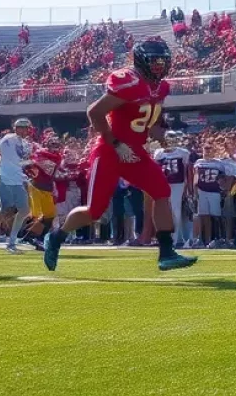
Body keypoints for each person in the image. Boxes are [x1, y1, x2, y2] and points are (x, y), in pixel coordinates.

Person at [42, 39, 196, 273]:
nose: (160, 67)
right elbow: (94, 112)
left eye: (163, 62)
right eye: (155, 62)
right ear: (142, 61)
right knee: (94, 211)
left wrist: (162, 134)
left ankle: (166, 253)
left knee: (161, 191)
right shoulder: (128, 82)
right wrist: (116, 143)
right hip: (110, 151)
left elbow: (146, 122)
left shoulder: (161, 87)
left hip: (135, 152)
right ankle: (56, 237)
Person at [0, 118, 33, 253]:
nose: (27, 131)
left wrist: (30, 168)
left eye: (27, 128)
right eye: (24, 128)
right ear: (17, 128)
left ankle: (11, 242)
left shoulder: (26, 144)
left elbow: (23, 162)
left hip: (18, 179)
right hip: (5, 177)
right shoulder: (9, 138)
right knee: (6, 209)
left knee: (24, 210)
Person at [153, 130, 192, 248]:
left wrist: (188, 187)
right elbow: (155, 170)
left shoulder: (183, 153)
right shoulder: (158, 153)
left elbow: (187, 170)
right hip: (163, 184)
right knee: (164, 210)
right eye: (169, 138)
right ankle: (167, 236)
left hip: (177, 184)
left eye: (173, 138)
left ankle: (175, 238)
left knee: (175, 210)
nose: (171, 141)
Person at [192, 144, 231, 248]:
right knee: (202, 215)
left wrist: (224, 190)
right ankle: (203, 239)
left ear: (214, 151)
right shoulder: (198, 162)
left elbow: (224, 178)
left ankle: (218, 238)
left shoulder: (219, 164)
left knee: (216, 215)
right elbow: (195, 177)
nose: (207, 152)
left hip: (214, 191)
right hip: (202, 191)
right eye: (206, 150)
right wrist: (195, 192)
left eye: (210, 150)